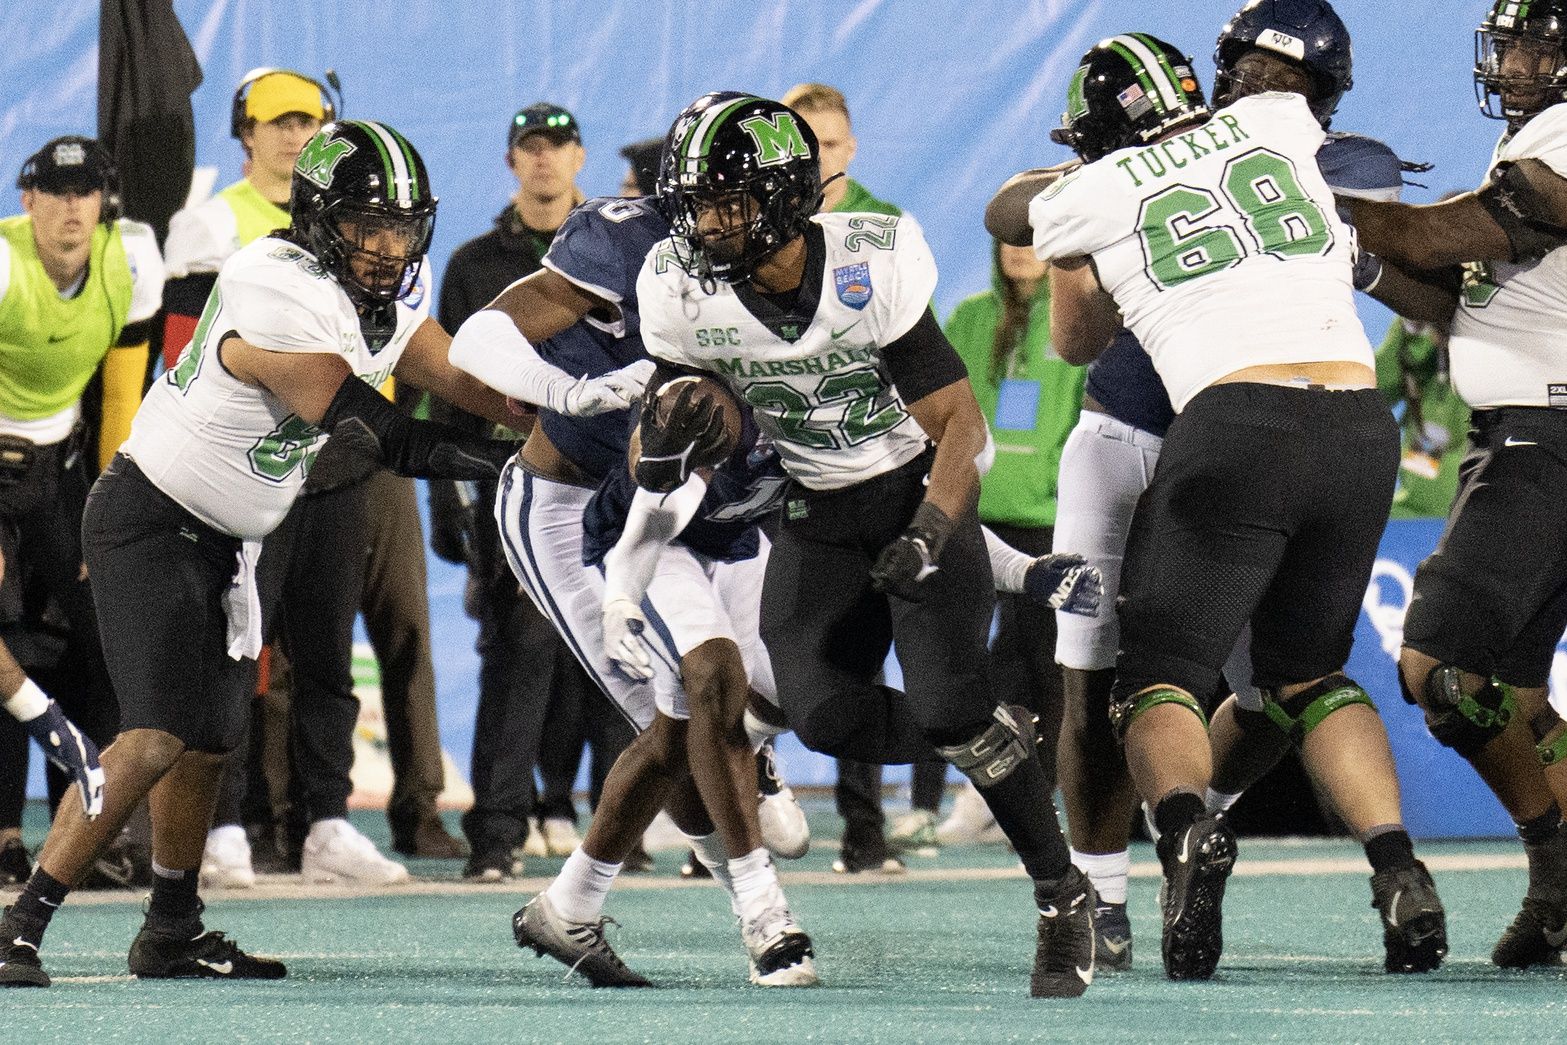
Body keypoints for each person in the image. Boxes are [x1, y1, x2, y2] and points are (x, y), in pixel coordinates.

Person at [0, 119, 524, 988]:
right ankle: (21, 925)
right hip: (149, 517)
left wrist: (545, 416)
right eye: (369, 225)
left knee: (211, 740)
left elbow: (450, 370)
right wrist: (506, 462)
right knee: (156, 734)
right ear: (320, 219)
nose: (389, 246)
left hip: (230, 535)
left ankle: (171, 929)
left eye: (402, 226)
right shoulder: (271, 277)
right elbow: (367, 423)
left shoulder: (381, 286)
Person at [987, 0, 1431, 972]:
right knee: (1282, 679)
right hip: (1298, 425)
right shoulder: (1281, 132)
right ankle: (1165, 860)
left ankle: (1174, 837)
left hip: (1199, 433)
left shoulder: (1126, 175)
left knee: (1124, 678)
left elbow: (1067, 323)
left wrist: (1095, 196)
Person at [637, 92, 1100, 998]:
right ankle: (998, 738)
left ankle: (1060, 889)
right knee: (825, 719)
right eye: (694, 202)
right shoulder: (681, 289)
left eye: (725, 201)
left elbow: (960, 425)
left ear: (780, 196)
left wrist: (931, 531)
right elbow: (657, 450)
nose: (704, 221)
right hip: (816, 509)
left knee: (947, 710)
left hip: (913, 490)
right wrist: (660, 441)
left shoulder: (867, 260)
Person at [448, 91, 824, 988]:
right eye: (707, 202)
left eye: (742, 200)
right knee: (675, 706)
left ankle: (571, 905)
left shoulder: (800, 255)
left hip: (711, 506)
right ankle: (762, 911)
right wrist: (569, 391)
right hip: (577, 508)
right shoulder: (627, 239)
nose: (723, 222)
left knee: (740, 702)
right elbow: (482, 336)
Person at [1337, 0, 1567, 969]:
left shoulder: (1555, 144)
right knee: (1510, 694)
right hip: (1525, 432)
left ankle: (1555, 870)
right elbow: (1452, 301)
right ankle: (1559, 890)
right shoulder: (1528, 144)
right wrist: (1357, 259)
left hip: (1544, 435)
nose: (1512, 61)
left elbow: (1460, 233)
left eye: (1534, 44)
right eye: (1507, 43)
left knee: (1437, 666)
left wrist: (1333, 206)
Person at [431, 102, 615, 880]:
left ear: (579, 156)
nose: (543, 159)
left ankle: (613, 822)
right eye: (529, 146)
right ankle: (497, 833)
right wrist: (447, 496)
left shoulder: (616, 249)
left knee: (615, 647)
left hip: (606, 474)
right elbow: (446, 387)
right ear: (511, 160)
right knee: (519, 652)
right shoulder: (474, 262)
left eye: (557, 145)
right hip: (513, 479)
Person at [779, 80, 939, 872]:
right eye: (803, 143)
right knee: (755, 643)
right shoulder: (745, 218)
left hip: (873, 465)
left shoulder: (883, 230)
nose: (818, 159)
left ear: (852, 150)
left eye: (831, 145)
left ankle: (868, 827)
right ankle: (732, 821)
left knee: (871, 649)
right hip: (775, 464)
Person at [0, 136, 161, 882]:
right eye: (56, 191)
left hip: (61, 467)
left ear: (105, 201)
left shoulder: (131, 258)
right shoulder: (2, 264)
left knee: (96, 634)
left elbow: (123, 399)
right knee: (5, 640)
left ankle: (85, 832)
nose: (71, 206)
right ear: (26, 199)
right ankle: (4, 833)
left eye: (85, 190)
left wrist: (109, 515)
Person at [934, 241, 1084, 857]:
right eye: (1007, 240)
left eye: (1032, 240)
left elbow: (1087, 415)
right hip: (971, 509)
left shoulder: (1075, 321)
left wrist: (1063, 489)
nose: (1018, 252)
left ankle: (1032, 791)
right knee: (960, 654)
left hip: (1046, 516)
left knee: (1047, 659)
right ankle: (970, 793)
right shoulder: (969, 317)